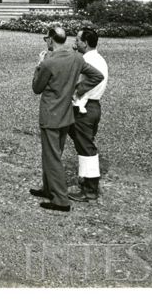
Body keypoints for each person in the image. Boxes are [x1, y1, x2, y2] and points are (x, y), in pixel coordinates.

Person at [30, 24, 103, 212]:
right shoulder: (77, 58)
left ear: (51, 39)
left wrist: (39, 65)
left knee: (52, 157)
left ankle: (61, 200)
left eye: (47, 38)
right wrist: (77, 89)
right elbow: (97, 75)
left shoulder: (48, 62)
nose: (46, 41)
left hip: (50, 115)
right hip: (67, 115)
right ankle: (49, 189)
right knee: (53, 154)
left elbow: (36, 88)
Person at [67, 27, 108, 202]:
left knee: (86, 148)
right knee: (83, 144)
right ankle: (86, 180)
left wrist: (77, 90)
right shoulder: (99, 59)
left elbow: (93, 78)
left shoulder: (87, 60)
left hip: (85, 107)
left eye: (77, 40)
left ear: (85, 43)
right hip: (93, 105)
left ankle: (91, 189)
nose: (75, 43)